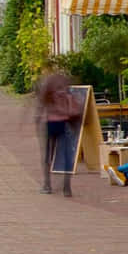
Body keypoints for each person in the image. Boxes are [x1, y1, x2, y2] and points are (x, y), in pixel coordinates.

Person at [35, 66, 81, 196]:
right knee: (66, 155)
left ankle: (47, 185)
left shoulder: (47, 89)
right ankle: (67, 187)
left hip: (50, 123)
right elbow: (74, 109)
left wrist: (38, 120)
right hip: (64, 123)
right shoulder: (66, 90)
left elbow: (40, 108)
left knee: (47, 156)